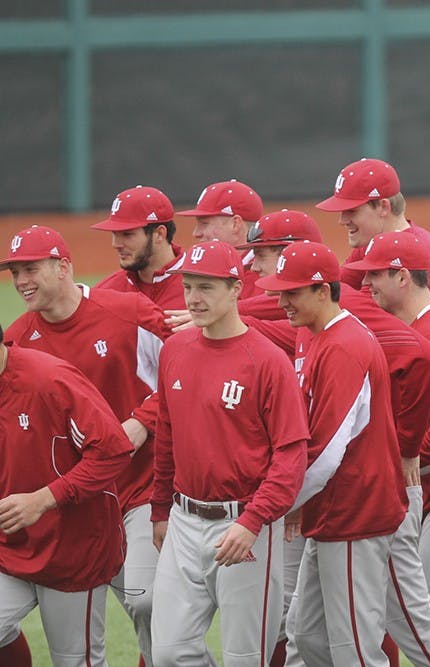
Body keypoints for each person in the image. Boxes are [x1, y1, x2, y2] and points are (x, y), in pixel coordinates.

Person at [1, 225, 170, 666]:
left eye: (30, 269)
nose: (21, 282)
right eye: (15, 272)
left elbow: (188, 370)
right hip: (73, 504)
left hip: (137, 488)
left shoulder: (125, 312)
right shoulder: (16, 340)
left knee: (147, 603)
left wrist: (142, 420)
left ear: (63, 266)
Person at [150, 241, 309, 666]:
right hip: (183, 520)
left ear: (237, 288)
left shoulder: (267, 361)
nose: (194, 299)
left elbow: (291, 456)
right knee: (168, 653)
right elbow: (167, 437)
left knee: (245, 658)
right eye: (188, 287)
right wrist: (160, 508)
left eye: (206, 287)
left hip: (245, 526)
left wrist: (253, 521)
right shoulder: (175, 351)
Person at [257, 241, 408, 666]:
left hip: (355, 514)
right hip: (330, 511)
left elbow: (326, 452)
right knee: (306, 635)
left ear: (323, 291)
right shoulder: (312, 334)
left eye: (292, 292)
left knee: (354, 649)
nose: (281, 301)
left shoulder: (344, 346)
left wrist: (272, 507)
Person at [344, 231, 430, 621]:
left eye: (374, 275)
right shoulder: (421, 325)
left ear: (403, 278)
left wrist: (388, 462)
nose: (365, 284)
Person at [0, 321, 133, 667]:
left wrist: (43, 498)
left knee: (74, 661)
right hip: (10, 547)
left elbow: (113, 451)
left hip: (73, 551)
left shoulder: (50, 380)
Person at [316, 157, 430, 326]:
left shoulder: (408, 250)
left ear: (384, 207)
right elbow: (335, 287)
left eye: (351, 211)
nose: (342, 220)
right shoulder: (375, 242)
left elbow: (348, 306)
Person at [91, 185, 188, 310]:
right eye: (114, 234)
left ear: (159, 234)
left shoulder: (201, 286)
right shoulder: (105, 293)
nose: (116, 244)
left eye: (127, 234)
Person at [175, 178, 265, 297]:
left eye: (204, 224)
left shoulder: (267, 271)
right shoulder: (200, 269)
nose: (196, 233)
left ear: (235, 224)